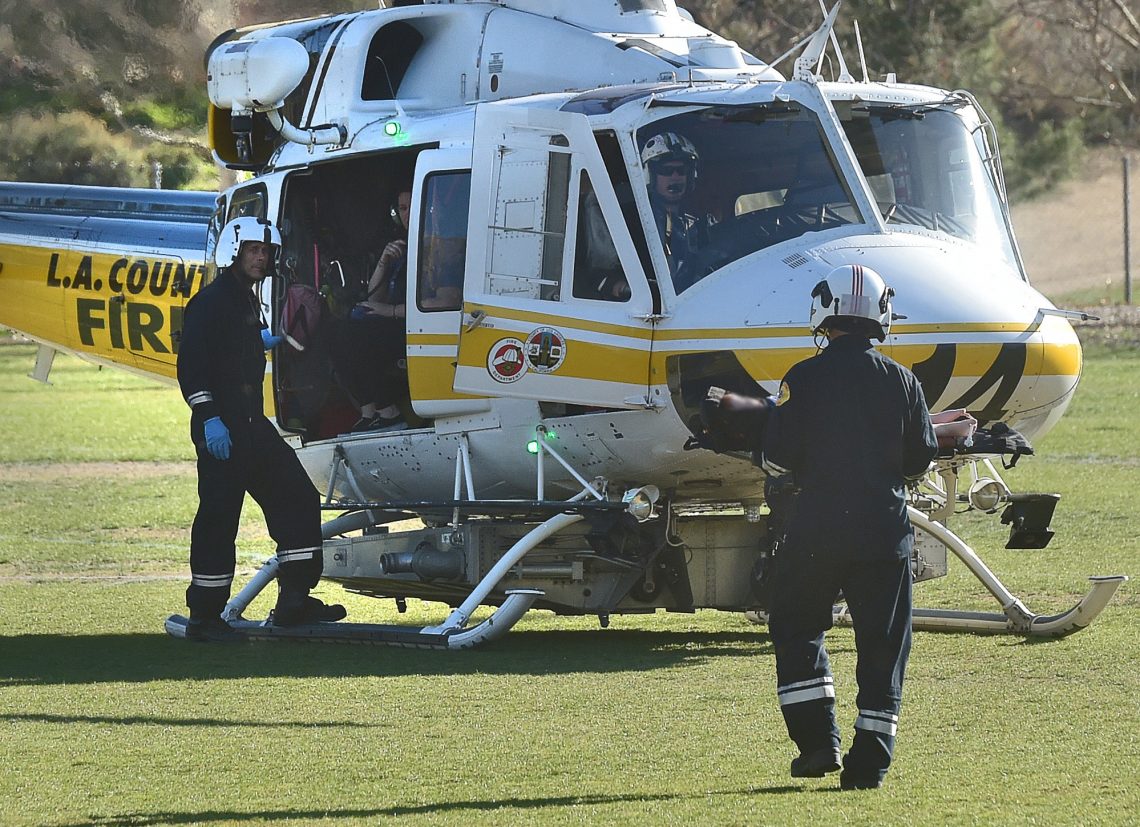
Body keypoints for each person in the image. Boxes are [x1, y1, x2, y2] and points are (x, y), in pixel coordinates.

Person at [759, 264, 937, 790]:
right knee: (884, 646)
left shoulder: (802, 377)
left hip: (816, 530)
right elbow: (919, 459)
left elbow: (778, 457)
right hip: (884, 532)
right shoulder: (903, 380)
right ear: (881, 314)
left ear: (823, 311)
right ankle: (870, 764)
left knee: (796, 625)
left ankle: (817, 743)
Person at [177, 216, 347, 640]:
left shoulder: (246, 300)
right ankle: (205, 616)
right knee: (219, 518)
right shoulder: (211, 302)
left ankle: (294, 601)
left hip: (252, 424)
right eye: (253, 250)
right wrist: (209, 418)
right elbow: (192, 369)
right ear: (233, 252)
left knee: (298, 497)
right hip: (223, 427)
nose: (261, 258)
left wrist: (259, 343)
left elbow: (233, 352)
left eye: (266, 252)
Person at [345, 189, 411, 431]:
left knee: (359, 335)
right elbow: (375, 295)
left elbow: (445, 303)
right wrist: (384, 263)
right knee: (337, 331)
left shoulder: (437, 246)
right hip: (392, 321)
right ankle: (370, 411)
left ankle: (389, 412)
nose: (407, 214)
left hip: (419, 327)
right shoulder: (400, 247)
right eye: (402, 209)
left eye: (413, 206)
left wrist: (391, 311)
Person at [640, 131, 713, 291]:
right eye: (666, 171)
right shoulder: (638, 224)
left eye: (681, 171)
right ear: (650, 175)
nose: (675, 177)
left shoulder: (697, 225)